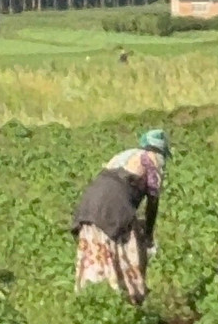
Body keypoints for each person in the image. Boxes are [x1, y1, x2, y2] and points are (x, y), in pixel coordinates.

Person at [71, 129, 170, 305]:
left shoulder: (124, 154)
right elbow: (153, 201)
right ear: (160, 151)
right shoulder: (152, 160)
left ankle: (94, 301)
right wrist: (148, 235)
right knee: (129, 252)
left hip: (89, 205)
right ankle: (129, 300)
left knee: (97, 253)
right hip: (114, 208)